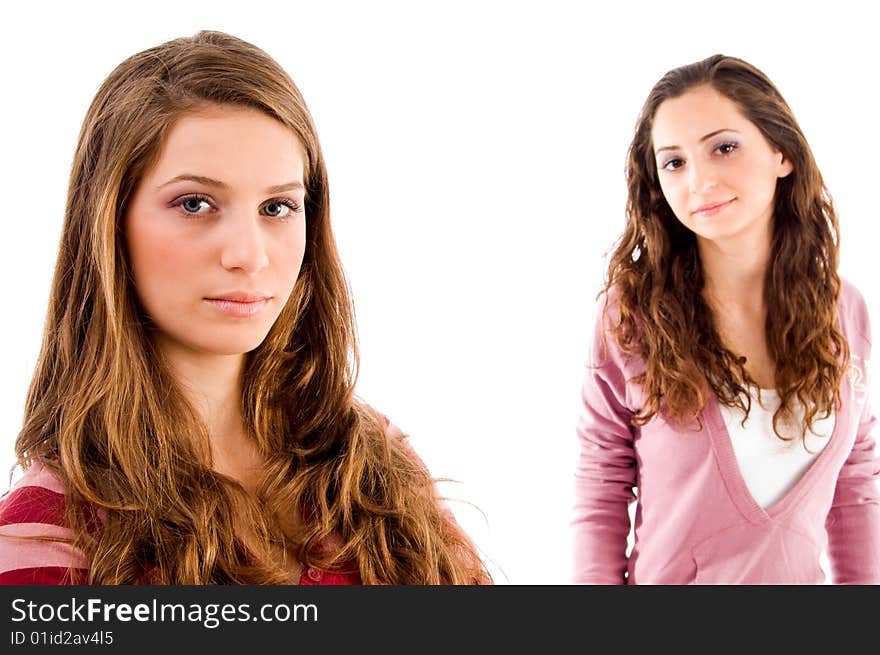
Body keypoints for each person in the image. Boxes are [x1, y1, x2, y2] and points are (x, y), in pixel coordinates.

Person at [0, 30, 488, 585]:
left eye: (277, 206)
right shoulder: (45, 540)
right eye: (195, 203)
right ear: (109, 222)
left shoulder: (374, 460)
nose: (249, 255)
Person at [573, 54, 880, 584]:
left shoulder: (843, 309)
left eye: (724, 147)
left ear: (781, 152)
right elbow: (601, 487)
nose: (699, 180)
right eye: (674, 162)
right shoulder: (633, 315)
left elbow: (856, 481)